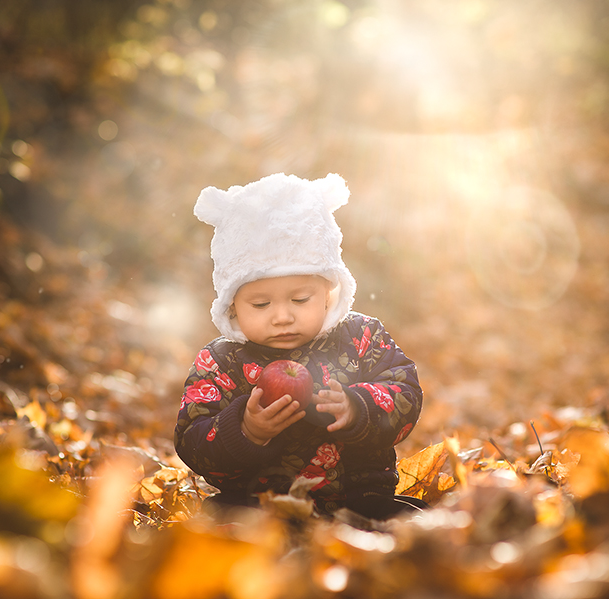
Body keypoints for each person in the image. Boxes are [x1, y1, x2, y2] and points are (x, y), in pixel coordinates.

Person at [173, 173, 425, 519]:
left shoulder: (360, 338)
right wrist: (245, 429)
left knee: (413, 525)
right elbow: (191, 441)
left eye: (300, 299)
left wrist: (357, 406)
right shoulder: (220, 361)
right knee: (220, 520)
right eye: (260, 305)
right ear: (232, 305)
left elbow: (406, 392)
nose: (281, 317)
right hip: (260, 502)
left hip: (359, 500)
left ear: (328, 293)